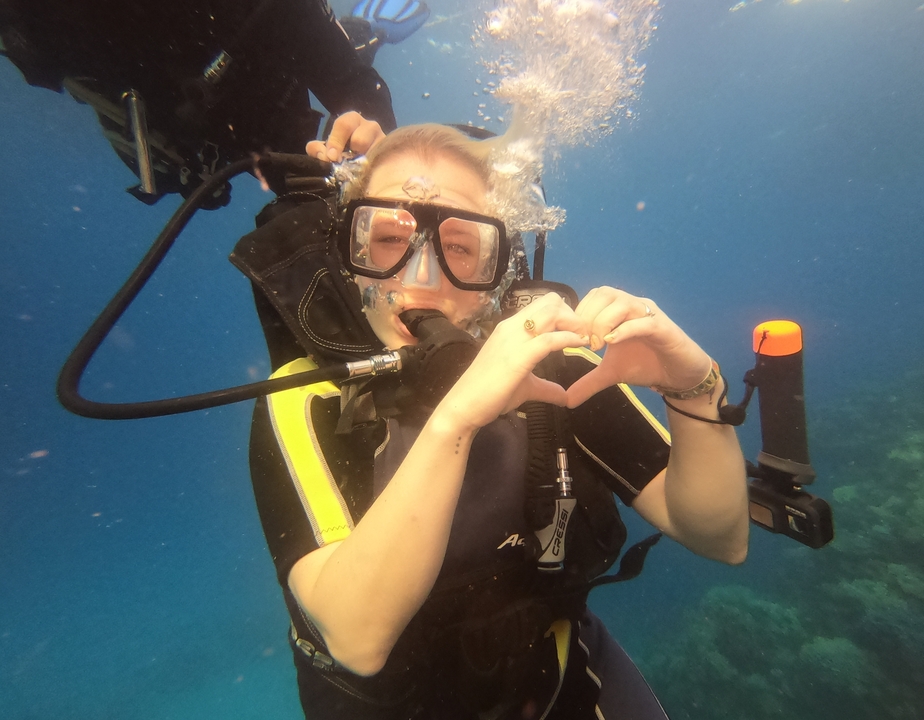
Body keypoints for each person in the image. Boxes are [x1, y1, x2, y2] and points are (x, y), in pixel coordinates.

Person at [232, 122, 749, 719]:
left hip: (557, 681)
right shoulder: (313, 397)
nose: (420, 280)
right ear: (348, 255)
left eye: (458, 246)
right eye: (387, 239)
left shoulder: (557, 368)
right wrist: (459, 416)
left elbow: (721, 536)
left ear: (499, 269)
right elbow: (358, 638)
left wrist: (693, 389)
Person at [0, 0, 398, 206]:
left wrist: (364, 128)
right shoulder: (34, 18)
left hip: (259, 93)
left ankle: (364, 31)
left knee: (314, 183)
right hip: (154, 125)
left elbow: (348, 78)